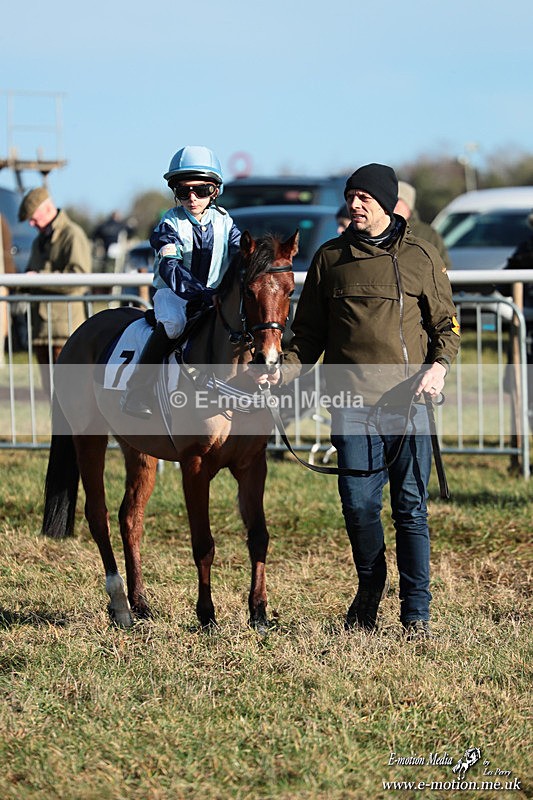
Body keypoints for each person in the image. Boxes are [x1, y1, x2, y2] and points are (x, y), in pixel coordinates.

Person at [256, 163, 460, 639]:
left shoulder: (422, 258)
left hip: (408, 403)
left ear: (386, 203)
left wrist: (438, 366)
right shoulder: (329, 258)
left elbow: (445, 326)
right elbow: (307, 337)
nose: (355, 205)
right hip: (349, 402)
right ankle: (371, 587)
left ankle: (416, 613)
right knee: (358, 504)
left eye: (364, 197)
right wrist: (280, 372)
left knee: (410, 506)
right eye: (351, 196)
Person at [122, 145, 241, 419]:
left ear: (215, 191)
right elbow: (169, 266)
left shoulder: (225, 221)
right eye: (183, 190)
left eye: (201, 190)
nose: (192, 197)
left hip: (213, 296)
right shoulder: (169, 223)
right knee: (174, 327)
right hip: (174, 295)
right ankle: (138, 390)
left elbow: (240, 256)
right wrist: (199, 293)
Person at [18, 186, 91, 396]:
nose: (32, 224)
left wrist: (39, 278)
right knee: (51, 393)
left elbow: (79, 279)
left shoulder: (72, 235)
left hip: (65, 331)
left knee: (72, 394)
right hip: (42, 331)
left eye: (33, 218)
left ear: (46, 208)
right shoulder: (38, 241)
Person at [394, 181, 451, 269]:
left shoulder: (429, 234)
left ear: (408, 204)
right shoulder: (380, 231)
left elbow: (443, 267)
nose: (393, 204)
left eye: (398, 200)